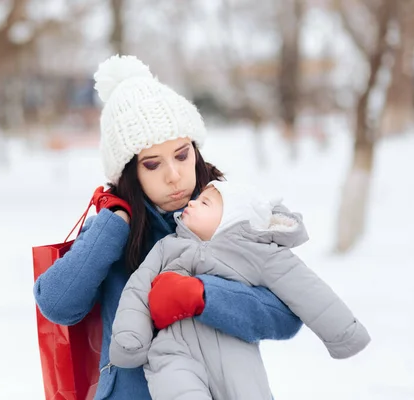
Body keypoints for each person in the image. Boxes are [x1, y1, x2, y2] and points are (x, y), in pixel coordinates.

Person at [33, 55, 303, 400]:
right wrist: (114, 225)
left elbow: (287, 314)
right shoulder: (111, 232)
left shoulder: (231, 214)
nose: (173, 175)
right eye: (152, 163)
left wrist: (203, 296)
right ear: (130, 172)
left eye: (181, 155)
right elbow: (58, 304)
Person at [110, 181, 371, 400]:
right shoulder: (168, 247)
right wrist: (130, 338)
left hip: (233, 348)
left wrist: (343, 333)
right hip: (174, 350)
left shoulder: (255, 251)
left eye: (204, 204)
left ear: (230, 219)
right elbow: (137, 290)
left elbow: (305, 287)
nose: (190, 203)